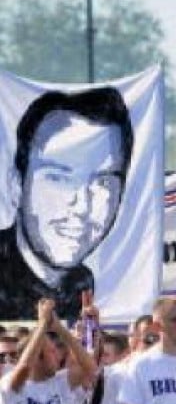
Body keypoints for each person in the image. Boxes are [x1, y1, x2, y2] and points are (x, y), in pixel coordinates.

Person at [0, 88, 133, 320]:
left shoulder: (82, 285)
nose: (82, 206)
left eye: (102, 182)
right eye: (60, 178)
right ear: (16, 184)